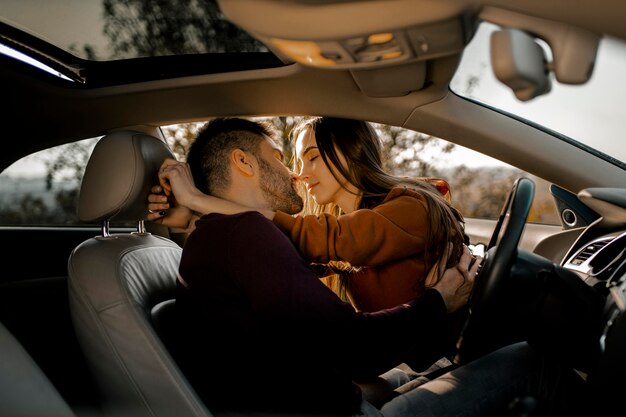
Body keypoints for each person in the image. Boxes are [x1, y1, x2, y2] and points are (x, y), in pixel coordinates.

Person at [160, 118, 577, 417]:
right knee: (534, 364)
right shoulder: (241, 235)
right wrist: (439, 300)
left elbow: (327, 262)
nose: (294, 173)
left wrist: (192, 210)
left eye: (309, 158)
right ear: (244, 163)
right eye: (280, 157)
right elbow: (352, 343)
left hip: (338, 392)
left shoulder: (225, 241)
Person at [149, 117, 467, 312]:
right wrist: (192, 216)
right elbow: (284, 256)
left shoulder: (413, 207)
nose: (300, 174)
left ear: (350, 149)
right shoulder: (342, 241)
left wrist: (196, 199)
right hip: (418, 361)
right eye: (297, 161)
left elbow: (321, 237)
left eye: (311, 157)